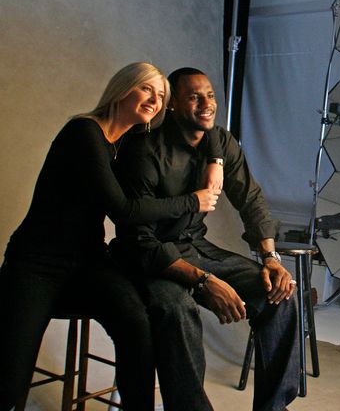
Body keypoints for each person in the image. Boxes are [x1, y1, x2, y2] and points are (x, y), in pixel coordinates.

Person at [0, 62, 221, 410]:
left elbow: (204, 130)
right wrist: (192, 201)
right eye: (147, 88)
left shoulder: (128, 142)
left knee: (137, 323)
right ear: (123, 88)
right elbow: (125, 210)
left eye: (161, 95)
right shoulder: (84, 133)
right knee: (10, 382)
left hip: (87, 263)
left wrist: (217, 158)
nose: (155, 98)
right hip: (36, 265)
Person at [110, 67, 300, 411]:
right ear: (172, 104)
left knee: (279, 297)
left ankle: (274, 408)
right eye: (194, 97)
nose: (206, 104)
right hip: (153, 256)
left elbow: (251, 199)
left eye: (210, 95)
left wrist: (270, 258)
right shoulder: (144, 151)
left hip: (198, 246)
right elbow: (138, 238)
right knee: (177, 310)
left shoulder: (220, 142)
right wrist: (203, 281)